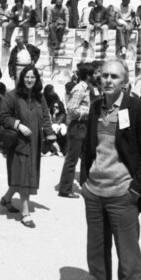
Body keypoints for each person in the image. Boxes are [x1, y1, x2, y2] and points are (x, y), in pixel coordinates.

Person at [75, 59, 141, 280]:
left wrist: (134, 191)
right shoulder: (96, 106)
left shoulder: (138, 109)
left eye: (115, 77)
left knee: (128, 261)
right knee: (96, 255)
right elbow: (89, 147)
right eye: (105, 76)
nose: (108, 80)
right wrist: (86, 181)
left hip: (122, 195)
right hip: (95, 193)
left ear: (125, 81)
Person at [0, 65, 59, 227]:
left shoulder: (40, 98)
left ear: (37, 79)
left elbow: (46, 119)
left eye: (33, 77)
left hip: (34, 144)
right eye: (27, 77)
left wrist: (51, 137)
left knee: (24, 174)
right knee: (24, 176)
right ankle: (25, 213)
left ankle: (6, 199)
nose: (30, 80)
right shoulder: (12, 96)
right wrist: (18, 125)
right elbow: (3, 117)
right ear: (22, 78)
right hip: (18, 143)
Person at [58, 62, 93, 197]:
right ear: (89, 76)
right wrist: (87, 113)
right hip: (77, 126)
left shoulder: (87, 88)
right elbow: (71, 110)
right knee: (72, 159)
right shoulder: (79, 89)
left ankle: (84, 185)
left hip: (83, 126)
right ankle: (65, 189)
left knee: (84, 157)